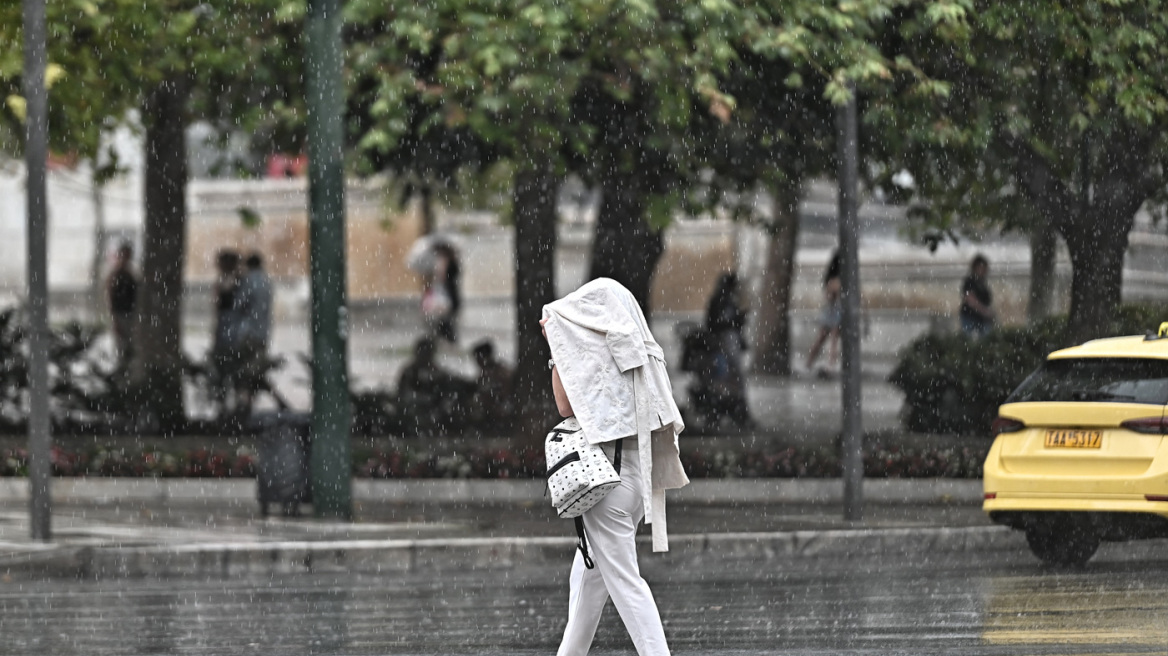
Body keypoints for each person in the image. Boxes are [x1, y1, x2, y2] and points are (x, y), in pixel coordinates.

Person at [541, 278, 690, 656]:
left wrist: (558, 348)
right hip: (637, 477)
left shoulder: (589, 356)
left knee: (626, 585)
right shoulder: (637, 352)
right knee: (588, 583)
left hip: (606, 485)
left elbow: (564, 406)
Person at [700, 272, 751, 428]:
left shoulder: (726, 301)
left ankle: (733, 413)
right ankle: (724, 413)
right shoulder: (721, 302)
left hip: (728, 345)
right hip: (723, 346)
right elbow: (717, 324)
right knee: (725, 381)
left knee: (730, 381)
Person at [235, 252, 274, 413]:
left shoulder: (248, 281)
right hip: (263, 332)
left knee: (244, 370)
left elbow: (239, 304)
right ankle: (250, 400)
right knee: (255, 369)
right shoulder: (267, 282)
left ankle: (243, 403)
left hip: (247, 331)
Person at [210, 249, 243, 415]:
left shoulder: (236, 281)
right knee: (222, 367)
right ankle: (223, 402)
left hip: (231, 327)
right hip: (225, 327)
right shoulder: (227, 280)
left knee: (230, 366)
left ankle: (233, 403)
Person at [804, 250, 842, 375]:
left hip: (832, 311)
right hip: (834, 311)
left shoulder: (832, 279)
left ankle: (812, 363)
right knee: (829, 340)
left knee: (824, 339)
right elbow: (829, 295)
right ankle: (827, 365)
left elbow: (828, 296)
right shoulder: (836, 279)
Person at [105, 241, 138, 369]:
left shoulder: (131, 275)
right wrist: (114, 320)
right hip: (120, 314)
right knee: (120, 347)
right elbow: (110, 297)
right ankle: (121, 372)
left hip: (130, 314)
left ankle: (125, 371)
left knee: (128, 347)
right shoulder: (115, 275)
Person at [468, 339, 514, 431]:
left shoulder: (500, 373)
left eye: (478, 358)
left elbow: (505, 393)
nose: (477, 362)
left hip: (501, 412)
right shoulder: (483, 375)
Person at [960, 254, 995, 337]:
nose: (985, 271)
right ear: (976, 268)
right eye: (983, 268)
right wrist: (985, 311)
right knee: (972, 341)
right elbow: (970, 300)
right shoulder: (970, 281)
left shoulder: (982, 282)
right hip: (970, 317)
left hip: (982, 319)